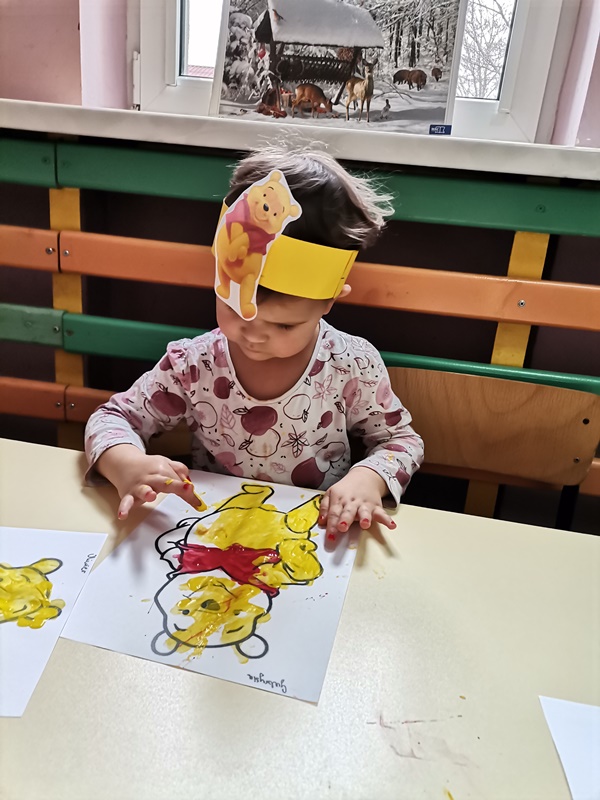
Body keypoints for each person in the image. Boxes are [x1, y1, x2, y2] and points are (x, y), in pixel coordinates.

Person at [85, 146, 424, 542]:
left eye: (284, 325)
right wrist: (125, 463)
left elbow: (400, 441)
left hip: (315, 536)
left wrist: (368, 479)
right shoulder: (194, 365)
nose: (254, 334)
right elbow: (114, 418)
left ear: (329, 301)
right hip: (214, 531)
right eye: (234, 308)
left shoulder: (351, 365)